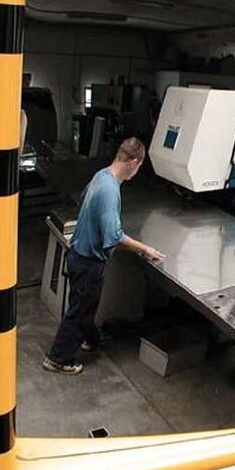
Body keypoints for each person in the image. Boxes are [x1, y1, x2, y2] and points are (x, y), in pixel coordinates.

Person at [43, 137, 165, 375]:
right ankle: (58, 359)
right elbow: (114, 236)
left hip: (77, 254)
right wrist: (145, 249)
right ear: (133, 162)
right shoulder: (110, 191)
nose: (137, 171)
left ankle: (91, 339)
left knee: (86, 305)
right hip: (88, 262)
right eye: (139, 166)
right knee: (80, 311)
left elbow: (83, 202)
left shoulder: (101, 176)